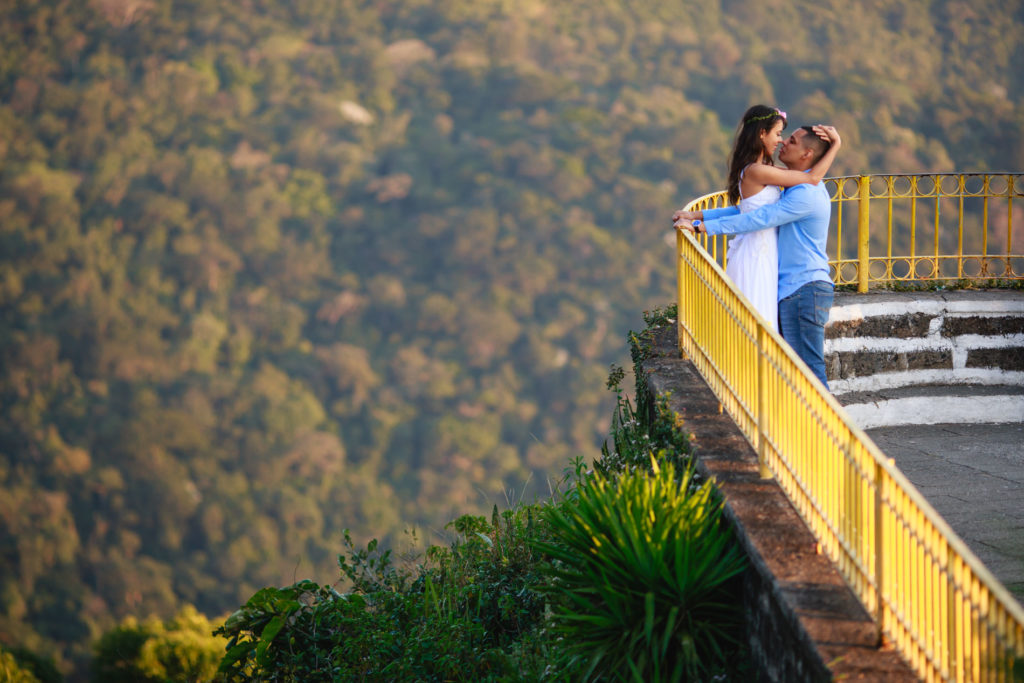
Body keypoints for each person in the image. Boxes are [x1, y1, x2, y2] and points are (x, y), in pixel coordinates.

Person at [674, 121, 841, 388]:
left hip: (805, 289)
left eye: (793, 141)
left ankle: (829, 430)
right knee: (794, 369)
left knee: (808, 371)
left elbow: (761, 218)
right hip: (795, 289)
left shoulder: (805, 195)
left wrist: (702, 227)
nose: (784, 142)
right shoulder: (794, 187)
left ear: (807, 155)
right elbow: (750, 210)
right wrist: (698, 215)